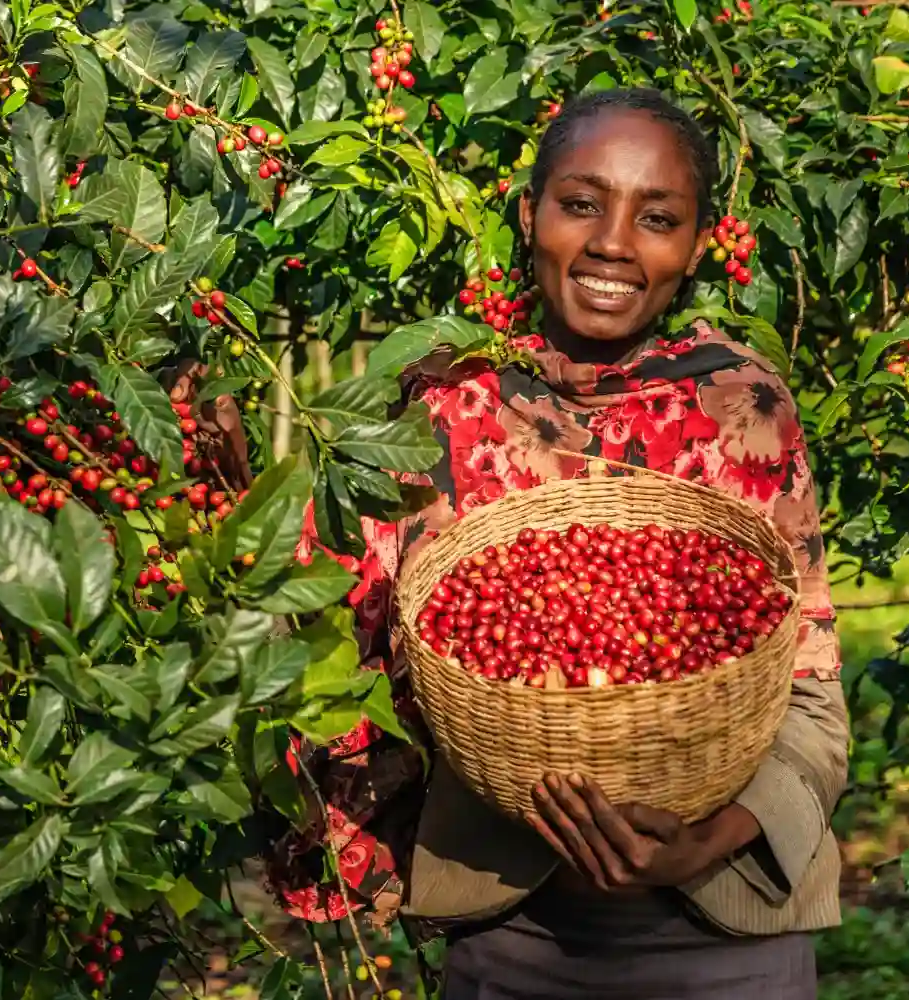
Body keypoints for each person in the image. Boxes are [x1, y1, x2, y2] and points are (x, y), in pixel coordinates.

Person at [251, 88, 848, 999]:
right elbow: (341, 649)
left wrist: (700, 840)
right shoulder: (447, 407)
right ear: (530, 215)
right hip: (513, 924)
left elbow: (809, 693)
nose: (612, 243)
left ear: (695, 248)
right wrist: (239, 508)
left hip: (724, 933)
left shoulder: (742, 407)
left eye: (657, 219)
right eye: (580, 203)